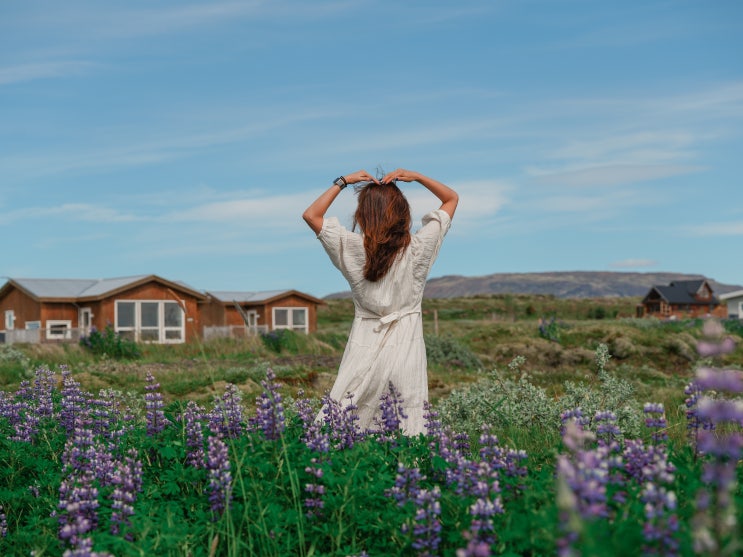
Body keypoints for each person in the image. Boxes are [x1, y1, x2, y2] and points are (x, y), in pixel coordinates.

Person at [302, 168, 458, 435]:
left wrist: (343, 182)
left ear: (363, 214)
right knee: (408, 412)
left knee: (347, 406)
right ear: (402, 212)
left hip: (365, 338)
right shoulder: (418, 248)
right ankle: (410, 469)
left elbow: (311, 215)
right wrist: (418, 178)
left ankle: (337, 460)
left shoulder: (350, 247)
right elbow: (451, 199)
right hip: (407, 340)